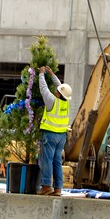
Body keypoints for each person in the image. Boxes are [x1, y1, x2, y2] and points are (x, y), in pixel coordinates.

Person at [37, 65, 72, 196]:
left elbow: (43, 89)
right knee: (57, 161)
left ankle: (46, 186)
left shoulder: (52, 101)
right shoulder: (66, 103)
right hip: (61, 137)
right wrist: (52, 75)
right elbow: (61, 87)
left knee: (47, 160)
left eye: (57, 91)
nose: (56, 91)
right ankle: (58, 189)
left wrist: (41, 74)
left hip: (50, 135)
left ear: (58, 94)